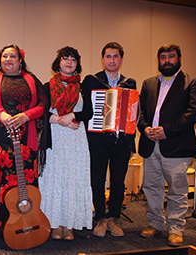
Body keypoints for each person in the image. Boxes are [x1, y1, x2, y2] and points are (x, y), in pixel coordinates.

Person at [0, 44, 48, 234]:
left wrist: (26, 116)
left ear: (20, 61)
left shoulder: (31, 79)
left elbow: (43, 103)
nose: (8, 59)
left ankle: (24, 221)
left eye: (12, 56)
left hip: (24, 142)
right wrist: (1, 114)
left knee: (23, 183)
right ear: (0, 60)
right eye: (4, 56)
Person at [138, 43, 196, 247]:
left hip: (176, 145)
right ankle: (155, 223)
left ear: (179, 59)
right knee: (151, 187)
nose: (167, 61)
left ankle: (176, 229)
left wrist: (167, 130)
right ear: (158, 60)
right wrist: (144, 128)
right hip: (150, 144)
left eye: (171, 57)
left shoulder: (192, 82)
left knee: (177, 189)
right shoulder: (148, 83)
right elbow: (138, 112)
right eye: (163, 57)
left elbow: (194, 111)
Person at [39, 46, 93, 240]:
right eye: (65, 58)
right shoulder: (47, 86)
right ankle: (54, 224)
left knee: (72, 179)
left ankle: (68, 224)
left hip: (76, 139)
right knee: (54, 179)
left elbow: (89, 113)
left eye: (73, 59)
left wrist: (73, 116)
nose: (69, 62)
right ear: (58, 62)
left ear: (77, 64)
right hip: (55, 139)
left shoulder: (83, 87)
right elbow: (41, 111)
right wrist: (58, 120)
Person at [83, 42, 137, 238]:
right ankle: (100, 218)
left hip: (121, 141)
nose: (112, 60)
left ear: (121, 59)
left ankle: (113, 217)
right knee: (97, 180)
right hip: (98, 139)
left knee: (118, 181)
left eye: (115, 56)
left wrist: (131, 144)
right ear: (103, 59)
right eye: (108, 56)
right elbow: (86, 110)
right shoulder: (91, 81)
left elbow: (133, 115)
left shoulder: (130, 83)